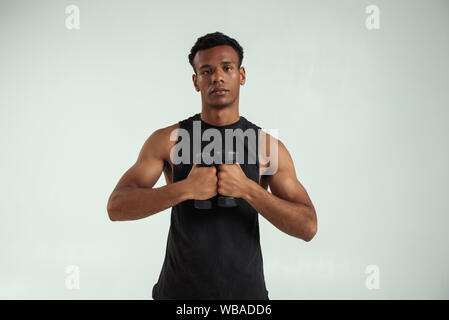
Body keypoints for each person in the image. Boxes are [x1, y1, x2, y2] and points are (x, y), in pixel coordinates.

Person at [106, 31, 317, 300]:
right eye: (206, 71)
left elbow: (308, 227)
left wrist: (247, 190)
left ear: (241, 75)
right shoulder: (169, 140)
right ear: (196, 81)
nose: (217, 77)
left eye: (227, 68)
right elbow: (117, 206)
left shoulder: (267, 147)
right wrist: (185, 189)